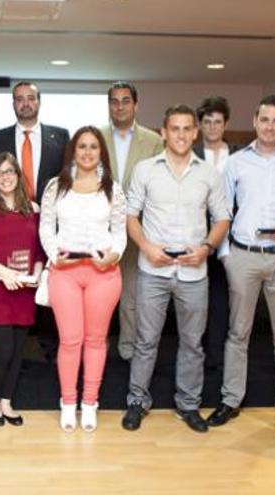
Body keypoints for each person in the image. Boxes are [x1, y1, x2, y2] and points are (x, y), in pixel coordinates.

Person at [208, 95, 275, 441]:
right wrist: (225, 255)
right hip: (243, 256)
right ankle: (231, 400)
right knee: (237, 333)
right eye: (264, 119)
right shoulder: (237, 163)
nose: (270, 126)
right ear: (254, 121)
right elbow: (221, 211)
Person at [121, 105, 231, 433]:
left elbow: (222, 217)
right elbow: (131, 216)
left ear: (195, 133)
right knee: (145, 340)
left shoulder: (208, 174)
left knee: (192, 344)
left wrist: (207, 249)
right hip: (152, 270)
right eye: (175, 128)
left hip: (193, 272)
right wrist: (147, 247)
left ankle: (188, 405)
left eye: (187, 129)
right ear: (164, 132)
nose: (181, 135)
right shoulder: (145, 170)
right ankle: (137, 402)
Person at [39, 126, 126, 432]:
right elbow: (46, 228)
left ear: (101, 151)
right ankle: (67, 402)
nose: (87, 152)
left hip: (103, 273)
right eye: (82, 147)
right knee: (70, 340)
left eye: (93, 147)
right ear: (73, 151)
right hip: (64, 272)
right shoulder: (56, 186)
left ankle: (90, 403)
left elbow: (119, 232)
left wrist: (114, 255)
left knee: (96, 340)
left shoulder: (112, 188)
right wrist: (53, 254)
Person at [0, 81, 69, 364]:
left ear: (39, 101)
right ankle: (12, 352)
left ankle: (48, 347)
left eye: (30, 98)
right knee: (12, 283)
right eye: (19, 99)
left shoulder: (60, 137)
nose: (25, 103)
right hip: (10, 224)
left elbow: (65, 183)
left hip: (47, 224)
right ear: (13, 104)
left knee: (46, 281)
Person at [0, 152, 43, 426]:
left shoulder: (32, 211)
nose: (5, 177)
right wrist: (4, 272)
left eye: (10, 172)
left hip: (23, 291)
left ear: (18, 175)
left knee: (16, 352)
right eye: (0, 173)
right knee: (1, 351)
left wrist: (36, 274)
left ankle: (7, 401)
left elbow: (38, 251)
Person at [99, 81, 165, 361]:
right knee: (98, 294)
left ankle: (128, 348)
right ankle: (96, 346)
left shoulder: (154, 141)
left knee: (132, 294)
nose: (120, 106)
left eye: (126, 101)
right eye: (114, 101)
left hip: (138, 228)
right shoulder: (96, 136)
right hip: (100, 228)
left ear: (136, 105)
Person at [194, 96, 243, 371]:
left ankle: (219, 355)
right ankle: (196, 353)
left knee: (223, 298)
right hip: (198, 235)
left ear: (226, 124)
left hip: (231, 237)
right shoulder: (191, 153)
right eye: (207, 122)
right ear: (200, 125)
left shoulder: (240, 154)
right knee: (197, 298)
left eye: (217, 122)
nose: (212, 127)